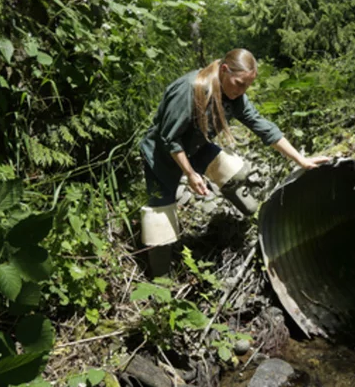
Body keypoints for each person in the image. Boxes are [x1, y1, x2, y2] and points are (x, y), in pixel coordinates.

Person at [139, 48, 330, 273]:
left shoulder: (234, 95)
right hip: (162, 153)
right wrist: (190, 174)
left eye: (247, 86)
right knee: (159, 222)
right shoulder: (190, 90)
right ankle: (160, 279)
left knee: (235, 172)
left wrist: (301, 160)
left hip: (196, 145)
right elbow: (169, 138)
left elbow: (263, 127)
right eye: (239, 83)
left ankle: (249, 218)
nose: (242, 91)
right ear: (224, 70)